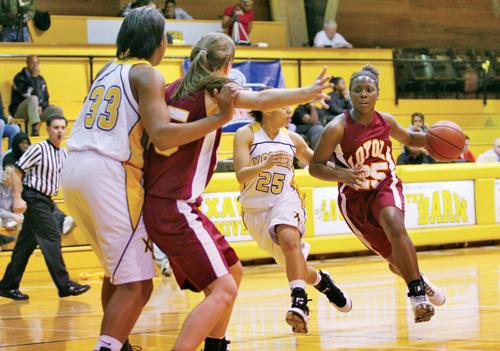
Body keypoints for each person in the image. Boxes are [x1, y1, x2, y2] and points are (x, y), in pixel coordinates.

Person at [62, 8, 240, 351]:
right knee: (139, 284)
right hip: (110, 173)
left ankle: (120, 344)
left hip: (73, 169)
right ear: (158, 42)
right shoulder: (148, 75)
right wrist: (219, 119)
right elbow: (163, 136)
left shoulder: (105, 69)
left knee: (116, 275)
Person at [143, 32, 332, 351]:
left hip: (160, 200)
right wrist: (305, 93)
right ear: (227, 66)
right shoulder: (218, 90)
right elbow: (260, 101)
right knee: (224, 290)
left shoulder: (169, 90)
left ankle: (216, 345)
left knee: (232, 271)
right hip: (176, 204)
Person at [309, 65, 446, 324]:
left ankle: (417, 296)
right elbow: (315, 166)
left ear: (377, 93)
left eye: (368, 90)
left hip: (385, 184)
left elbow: (410, 138)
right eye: (357, 90)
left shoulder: (386, 121)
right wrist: (343, 175)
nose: (363, 94)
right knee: (395, 261)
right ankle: (420, 279)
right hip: (355, 198)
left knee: (395, 223)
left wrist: (434, 139)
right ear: (349, 94)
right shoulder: (337, 128)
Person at [233, 106, 351, 334]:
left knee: (288, 237)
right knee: (298, 268)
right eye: (285, 108)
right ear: (267, 109)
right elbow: (241, 174)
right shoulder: (247, 134)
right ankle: (322, 282)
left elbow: (316, 164)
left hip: (286, 199)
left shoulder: (292, 138)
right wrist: (264, 165)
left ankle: (299, 303)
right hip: (255, 210)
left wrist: (346, 172)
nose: (290, 113)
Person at [0, 115, 91, 301]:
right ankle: (64, 285)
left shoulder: (63, 153)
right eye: (55, 127)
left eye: (62, 127)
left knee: (25, 246)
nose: (59, 131)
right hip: (33, 198)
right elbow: (17, 172)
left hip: (46, 200)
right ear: (48, 129)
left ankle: (8, 285)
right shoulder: (39, 149)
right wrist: (17, 199)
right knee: (52, 236)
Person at [2, 132, 75, 235]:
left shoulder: (32, 155)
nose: (25, 145)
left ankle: (62, 220)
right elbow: (9, 179)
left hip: (29, 192)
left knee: (42, 198)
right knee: (37, 198)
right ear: (15, 144)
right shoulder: (8, 157)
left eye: (27, 143)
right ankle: (11, 218)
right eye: (22, 143)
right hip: (12, 191)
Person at [9, 55, 64, 136]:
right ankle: (35, 128)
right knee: (33, 99)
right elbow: (26, 94)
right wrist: (34, 78)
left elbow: (46, 98)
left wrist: (41, 106)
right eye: (32, 63)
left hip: (37, 111)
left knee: (57, 110)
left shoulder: (41, 79)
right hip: (20, 111)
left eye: (37, 63)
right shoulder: (19, 78)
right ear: (27, 63)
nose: (35, 65)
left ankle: (54, 131)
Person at [0, 165, 24, 230]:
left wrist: (18, 214)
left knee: (22, 217)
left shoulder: (15, 189)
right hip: (2, 216)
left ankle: (17, 238)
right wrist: (12, 215)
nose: (7, 177)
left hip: (8, 216)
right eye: (6, 173)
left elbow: (16, 208)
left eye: (11, 175)